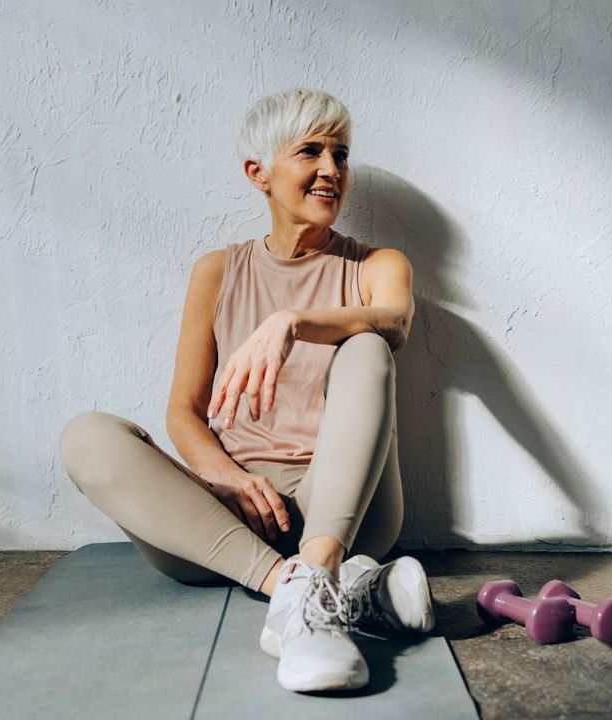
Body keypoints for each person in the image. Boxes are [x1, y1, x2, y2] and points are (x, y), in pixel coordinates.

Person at [57, 87, 434, 694]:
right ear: (258, 173)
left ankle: (316, 574)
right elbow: (183, 411)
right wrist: (223, 476)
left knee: (366, 343)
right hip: (227, 526)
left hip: (344, 511)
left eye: (341, 154)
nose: (332, 170)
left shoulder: (375, 265)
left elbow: (393, 322)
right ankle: (326, 590)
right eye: (311, 151)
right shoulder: (216, 270)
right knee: (85, 436)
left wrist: (292, 321)